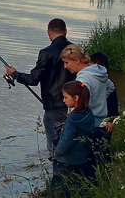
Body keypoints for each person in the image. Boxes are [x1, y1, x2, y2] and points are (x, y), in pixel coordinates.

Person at [5, 18, 74, 155]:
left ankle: (57, 170)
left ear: (48, 33)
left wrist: (15, 74)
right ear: (65, 31)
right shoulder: (75, 50)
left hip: (52, 104)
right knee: (65, 137)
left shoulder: (46, 52)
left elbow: (33, 79)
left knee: (53, 143)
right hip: (71, 102)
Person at [50, 81, 96, 197]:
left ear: (75, 98)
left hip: (66, 161)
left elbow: (67, 140)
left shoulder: (71, 119)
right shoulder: (89, 114)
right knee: (77, 187)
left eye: (65, 97)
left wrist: (57, 153)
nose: (63, 100)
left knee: (57, 190)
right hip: (81, 159)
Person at [59, 44, 112, 125]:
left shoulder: (83, 78)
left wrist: (71, 115)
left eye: (66, 62)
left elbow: (80, 101)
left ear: (76, 60)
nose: (65, 66)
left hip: (88, 123)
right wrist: (99, 100)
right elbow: (111, 87)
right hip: (101, 121)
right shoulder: (97, 72)